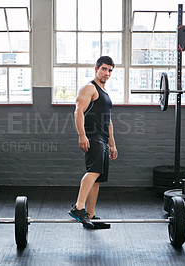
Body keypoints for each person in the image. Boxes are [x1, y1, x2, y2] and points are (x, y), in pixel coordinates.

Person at [68, 56, 118, 229]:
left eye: (110, 70)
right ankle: (78, 208)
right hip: (93, 136)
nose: (107, 73)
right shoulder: (90, 88)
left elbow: (108, 121)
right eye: (104, 69)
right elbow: (78, 111)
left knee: (97, 179)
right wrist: (82, 135)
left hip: (103, 139)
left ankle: (90, 215)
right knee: (93, 171)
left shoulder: (105, 93)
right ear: (96, 69)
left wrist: (112, 144)